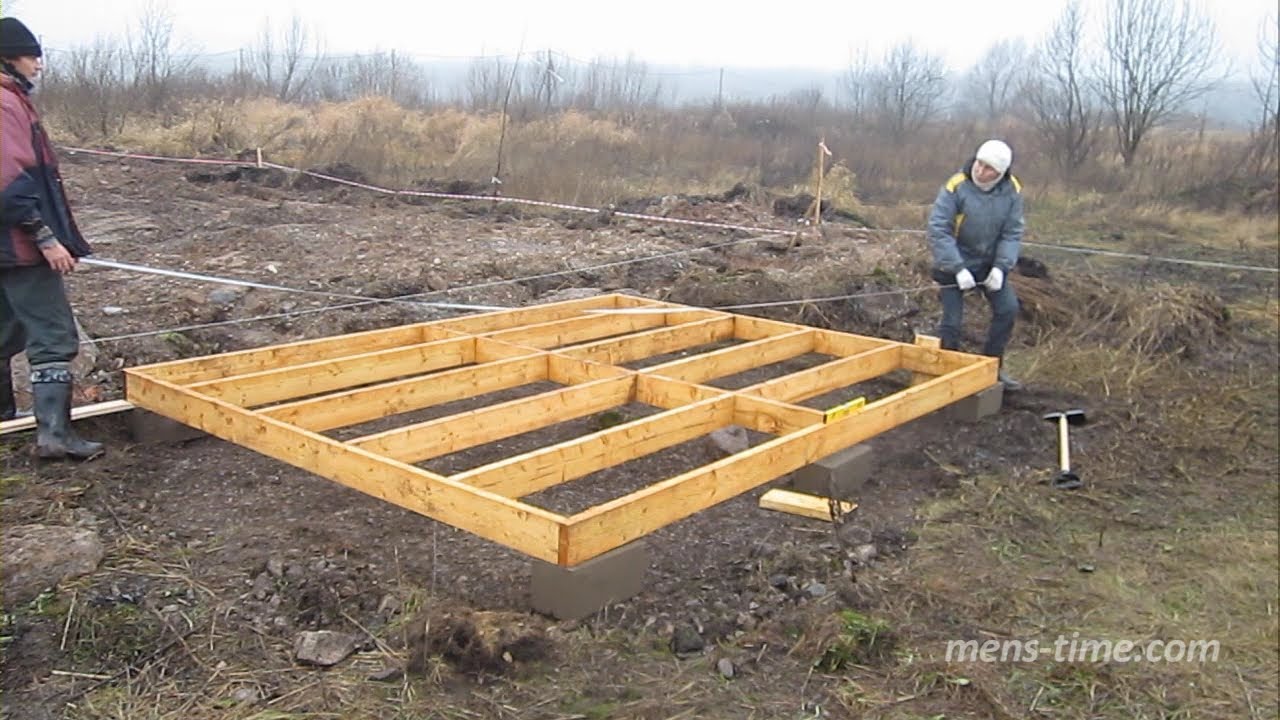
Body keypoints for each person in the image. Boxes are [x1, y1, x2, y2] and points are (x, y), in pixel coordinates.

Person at [0, 17, 104, 459]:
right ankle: (55, 438)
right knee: (53, 336)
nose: (38, 65)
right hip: (18, 247)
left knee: (3, 331)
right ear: (8, 57)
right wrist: (44, 237)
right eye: (31, 55)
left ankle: (5, 420)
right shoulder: (5, 104)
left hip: (3, 247)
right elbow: (7, 180)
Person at [926, 139, 1024, 391]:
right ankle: (945, 372)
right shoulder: (956, 186)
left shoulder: (1011, 190)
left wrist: (1001, 267)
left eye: (989, 168)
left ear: (1000, 173)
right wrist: (957, 268)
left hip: (988, 262)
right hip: (955, 260)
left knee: (1007, 309)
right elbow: (939, 229)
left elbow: (1012, 232)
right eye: (979, 164)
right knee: (952, 322)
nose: (980, 171)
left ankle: (993, 367)